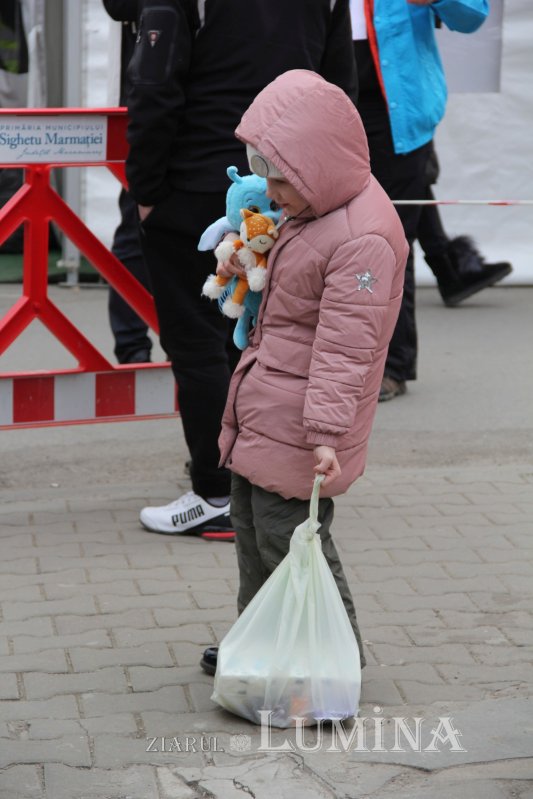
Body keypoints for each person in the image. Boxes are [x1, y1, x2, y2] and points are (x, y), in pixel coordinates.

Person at [200, 69, 409, 676]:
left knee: (292, 542)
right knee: (251, 529)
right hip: (271, 408)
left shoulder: (361, 237)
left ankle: (332, 658)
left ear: (315, 164)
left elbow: (348, 348)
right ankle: (261, 646)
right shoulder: (316, 207)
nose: (270, 191)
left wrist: (324, 432)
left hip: (303, 423)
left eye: (279, 178)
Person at [125, 0, 358, 537]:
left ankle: (215, 491)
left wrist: (147, 190)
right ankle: (263, 485)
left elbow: (154, 87)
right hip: (287, 191)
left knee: (201, 343)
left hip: (195, 186)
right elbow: (338, 92)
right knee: (269, 339)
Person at [350, 0, 489, 402]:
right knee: (325, 240)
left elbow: (473, 15)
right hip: (330, 103)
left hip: (396, 116)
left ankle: (393, 365)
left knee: (390, 244)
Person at [102, 0, 154, 364]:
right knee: (137, 220)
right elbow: (118, 5)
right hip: (151, 95)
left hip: (217, 94)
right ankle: (132, 344)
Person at [416, 144, 512, 307]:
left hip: (404, 139)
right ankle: (448, 272)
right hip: (395, 139)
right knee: (407, 184)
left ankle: (449, 272)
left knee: (415, 184)